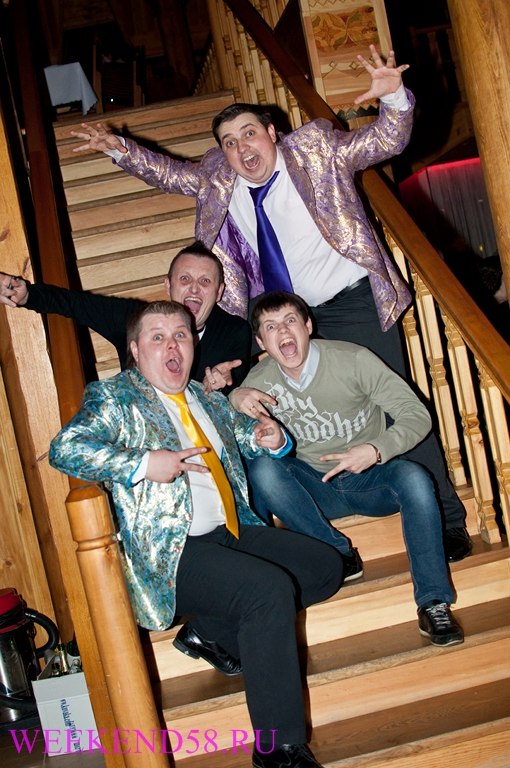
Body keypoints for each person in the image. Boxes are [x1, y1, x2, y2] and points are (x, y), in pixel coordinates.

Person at [67, 45, 471, 561]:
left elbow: (383, 141)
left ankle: (448, 519)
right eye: (229, 142)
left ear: (272, 134)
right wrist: (118, 148)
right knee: (286, 414)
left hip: (350, 303)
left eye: (250, 134)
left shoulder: (317, 150)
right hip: (278, 319)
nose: (242, 148)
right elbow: (168, 174)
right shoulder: (219, 177)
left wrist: (394, 99)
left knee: (396, 404)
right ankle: (322, 518)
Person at [49, 299, 343, 768]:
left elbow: (247, 436)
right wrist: (144, 463)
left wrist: (272, 438)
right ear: (135, 350)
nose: (172, 346)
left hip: (229, 531)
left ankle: (210, 633)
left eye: (181, 335)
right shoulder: (115, 397)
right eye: (158, 337)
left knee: (325, 565)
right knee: (267, 591)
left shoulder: (205, 398)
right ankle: (278, 749)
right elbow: (66, 448)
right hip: (171, 551)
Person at [230, 291, 464, 648]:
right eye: (271, 327)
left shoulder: (353, 360)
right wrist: (238, 403)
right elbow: (231, 438)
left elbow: (417, 414)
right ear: (261, 342)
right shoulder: (257, 382)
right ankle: (336, 551)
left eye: (291, 321)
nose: (284, 332)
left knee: (416, 479)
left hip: (371, 481)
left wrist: (375, 450)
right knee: (261, 470)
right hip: (314, 491)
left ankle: (434, 602)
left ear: (308, 325)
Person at [0, 241, 252, 394]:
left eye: (205, 281)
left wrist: (222, 386)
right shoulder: (135, 318)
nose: (194, 289)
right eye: (184, 279)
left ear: (219, 292)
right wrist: (27, 295)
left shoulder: (234, 331)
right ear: (168, 285)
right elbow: (74, 304)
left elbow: (233, 386)